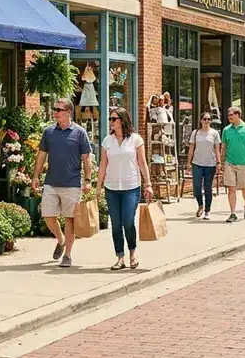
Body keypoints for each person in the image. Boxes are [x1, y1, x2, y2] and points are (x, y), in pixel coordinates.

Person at [32, 97, 93, 268]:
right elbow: (42, 155)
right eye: (54, 109)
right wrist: (36, 176)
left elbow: (86, 159)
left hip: (72, 183)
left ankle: (68, 255)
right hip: (51, 181)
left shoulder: (79, 132)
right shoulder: (49, 132)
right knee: (48, 216)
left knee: (70, 220)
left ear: (68, 112)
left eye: (58, 110)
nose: (55, 112)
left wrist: (87, 180)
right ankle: (61, 240)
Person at [98, 107, 154, 270]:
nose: (111, 122)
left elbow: (142, 163)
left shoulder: (136, 139)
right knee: (115, 224)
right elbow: (103, 164)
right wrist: (98, 186)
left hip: (131, 186)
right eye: (110, 119)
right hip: (112, 187)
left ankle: (133, 252)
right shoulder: (107, 141)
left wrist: (148, 184)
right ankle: (120, 257)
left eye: (113, 119)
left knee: (128, 221)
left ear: (122, 120)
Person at [220, 106, 245, 223]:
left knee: (244, 189)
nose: (229, 117)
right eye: (228, 115)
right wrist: (221, 162)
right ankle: (232, 213)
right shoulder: (226, 130)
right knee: (231, 189)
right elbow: (223, 147)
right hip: (229, 163)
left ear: (238, 115)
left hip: (244, 163)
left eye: (231, 115)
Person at [187, 112, 222, 220]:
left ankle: (207, 210)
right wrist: (189, 162)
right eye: (205, 119)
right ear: (201, 120)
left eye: (209, 119)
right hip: (197, 163)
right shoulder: (195, 133)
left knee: (207, 188)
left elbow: (217, 149)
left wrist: (219, 162)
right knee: (196, 186)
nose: (207, 121)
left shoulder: (214, 133)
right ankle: (200, 205)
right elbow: (191, 148)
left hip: (210, 164)